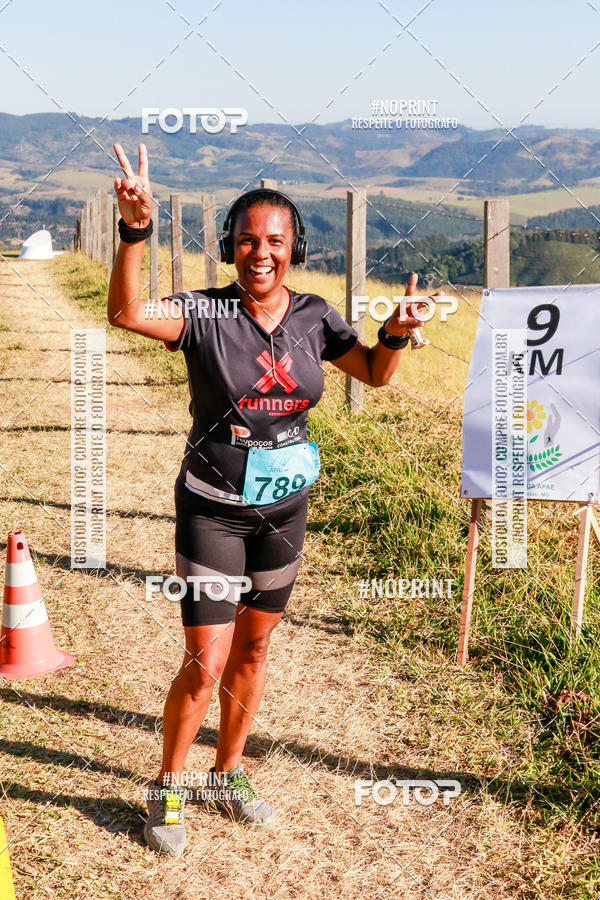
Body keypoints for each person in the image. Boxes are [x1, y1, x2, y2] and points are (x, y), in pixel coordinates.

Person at [107, 142, 441, 857]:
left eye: (277, 241)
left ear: (294, 249)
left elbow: (375, 375)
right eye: (248, 240)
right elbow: (129, 312)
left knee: (254, 651)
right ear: (230, 247)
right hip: (214, 509)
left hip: (286, 511)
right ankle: (167, 788)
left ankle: (226, 775)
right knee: (206, 660)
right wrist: (136, 230)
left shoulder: (316, 317)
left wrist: (396, 334)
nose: (262, 252)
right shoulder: (201, 313)